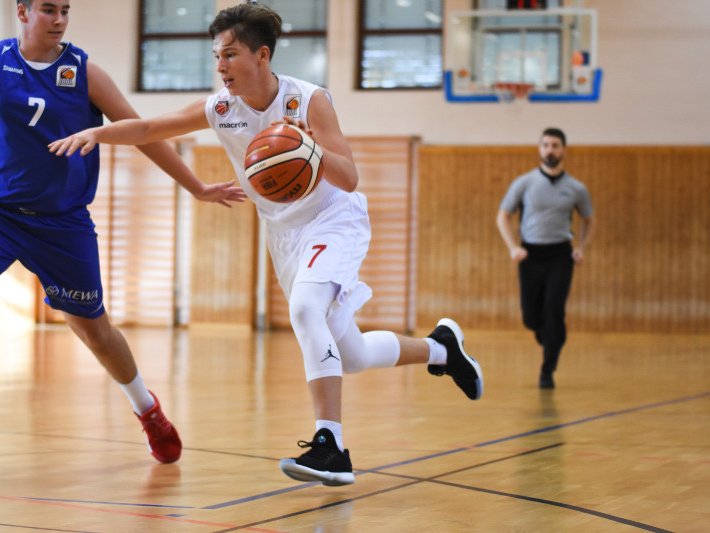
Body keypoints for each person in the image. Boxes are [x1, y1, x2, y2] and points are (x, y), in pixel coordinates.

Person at [49, 2, 483, 486]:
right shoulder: (221, 108)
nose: (220, 67)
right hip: (285, 232)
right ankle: (442, 349)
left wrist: (308, 148)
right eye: (216, 56)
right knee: (353, 354)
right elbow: (151, 128)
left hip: (332, 218)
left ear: (262, 55)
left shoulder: (308, 100)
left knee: (303, 311)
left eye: (229, 55)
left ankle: (331, 446)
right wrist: (95, 132)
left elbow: (350, 175)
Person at [0, 0, 245, 461]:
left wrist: (197, 187)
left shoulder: (85, 72)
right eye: (49, 10)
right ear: (23, 12)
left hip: (63, 224)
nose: (60, 20)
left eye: (65, 10)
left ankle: (147, 409)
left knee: (96, 333)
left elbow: (143, 131)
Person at [496, 128, 595, 389]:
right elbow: (503, 216)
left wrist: (581, 247)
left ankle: (547, 369)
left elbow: (589, 220)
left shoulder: (576, 188)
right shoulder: (525, 183)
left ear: (564, 150)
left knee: (554, 310)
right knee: (531, 317)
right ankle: (550, 338)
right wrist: (512, 247)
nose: (550, 150)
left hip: (560, 255)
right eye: (546, 145)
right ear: (540, 149)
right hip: (531, 254)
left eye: (555, 145)